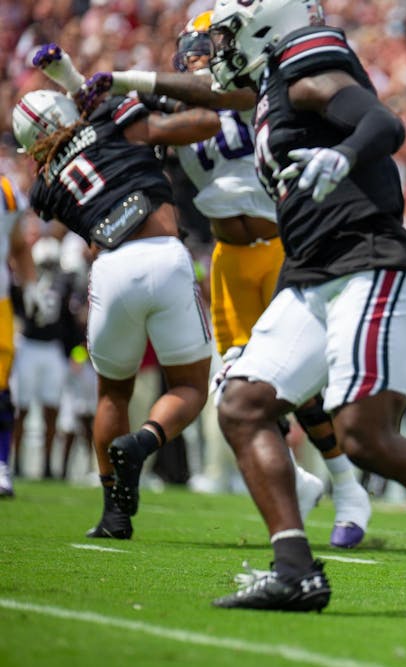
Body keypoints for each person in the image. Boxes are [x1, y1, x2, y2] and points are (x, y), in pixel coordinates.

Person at [74, 0, 406, 621]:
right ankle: (296, 571)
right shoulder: (270, 75)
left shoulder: (308, 58)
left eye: (228, 37)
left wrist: (343, 155)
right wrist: (127, 81)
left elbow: (380, 125)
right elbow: (209, 91)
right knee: (243, 404)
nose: (218, 51)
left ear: (265, 26)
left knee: (364, 437)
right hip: (311, 271)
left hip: (370, 261)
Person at [168, 17, 371, 547]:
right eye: (197, 52)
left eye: (212, 50)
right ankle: (301, 483)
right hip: (228, 260)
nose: (204, 60)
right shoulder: (176, 108)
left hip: (281, 247)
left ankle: (348, 487)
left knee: (298, 384)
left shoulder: (256, 87)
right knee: (236, 383)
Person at [12, 81, 216, 539]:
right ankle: (143, 442)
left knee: (112, 396)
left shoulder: (44, 187)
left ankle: (113, 514)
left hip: (110, 270)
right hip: (163, 253)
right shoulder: (109, 119)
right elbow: (206, 121)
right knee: (189, 388)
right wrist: (145, 97)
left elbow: (74, 162)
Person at [10, 237, 74, 480]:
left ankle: (48, 463)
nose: (47, 267)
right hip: (29, 345)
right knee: (21, 406)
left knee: (52, 409)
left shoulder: (64, 283)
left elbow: (69, 320)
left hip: (52, 348)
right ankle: (15, 460)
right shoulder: (24, 283)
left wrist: (72, 352)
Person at [0, 175, 37, 496]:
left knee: (2, 390)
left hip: (0, 300)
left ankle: (0, 465)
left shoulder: (8, 192)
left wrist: (31, 286)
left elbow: (18, 245)